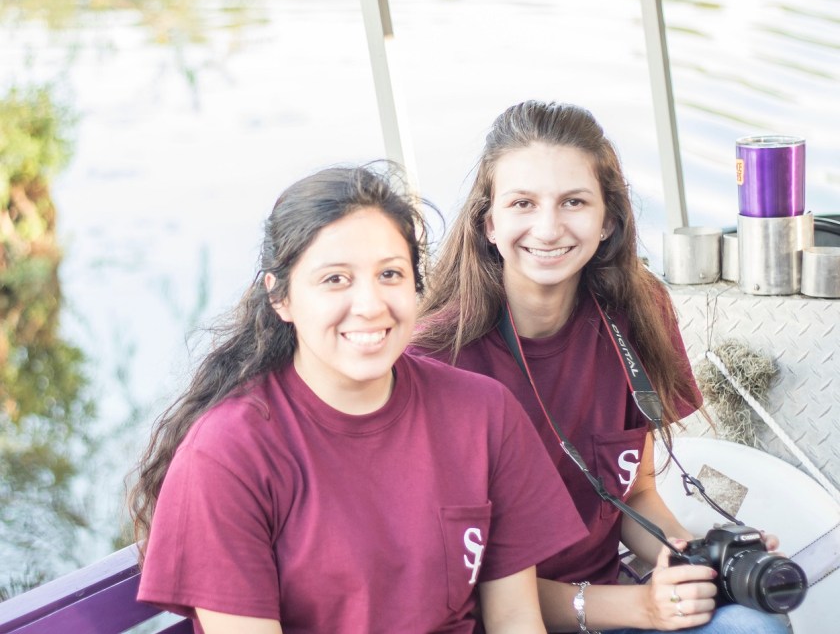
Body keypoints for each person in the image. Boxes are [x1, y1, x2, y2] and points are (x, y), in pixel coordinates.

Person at [128, 162, 589, 634]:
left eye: (390, 274)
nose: (370, 305)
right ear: (280, 297)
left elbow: (515, 618)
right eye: (335, 279)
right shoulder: (227, 454)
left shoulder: (483, 413)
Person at [411, 101, 789, 634]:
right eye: (523, 203)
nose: (548, 228)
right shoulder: (433, 359)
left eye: (573, 201)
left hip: (612, 603)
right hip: (498, 618)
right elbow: (453, 579)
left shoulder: (639, 310)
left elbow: (635, 493)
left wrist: (698, 563)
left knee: (755, 625)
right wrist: (637, 609)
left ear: (608, 218)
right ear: (489, 223)